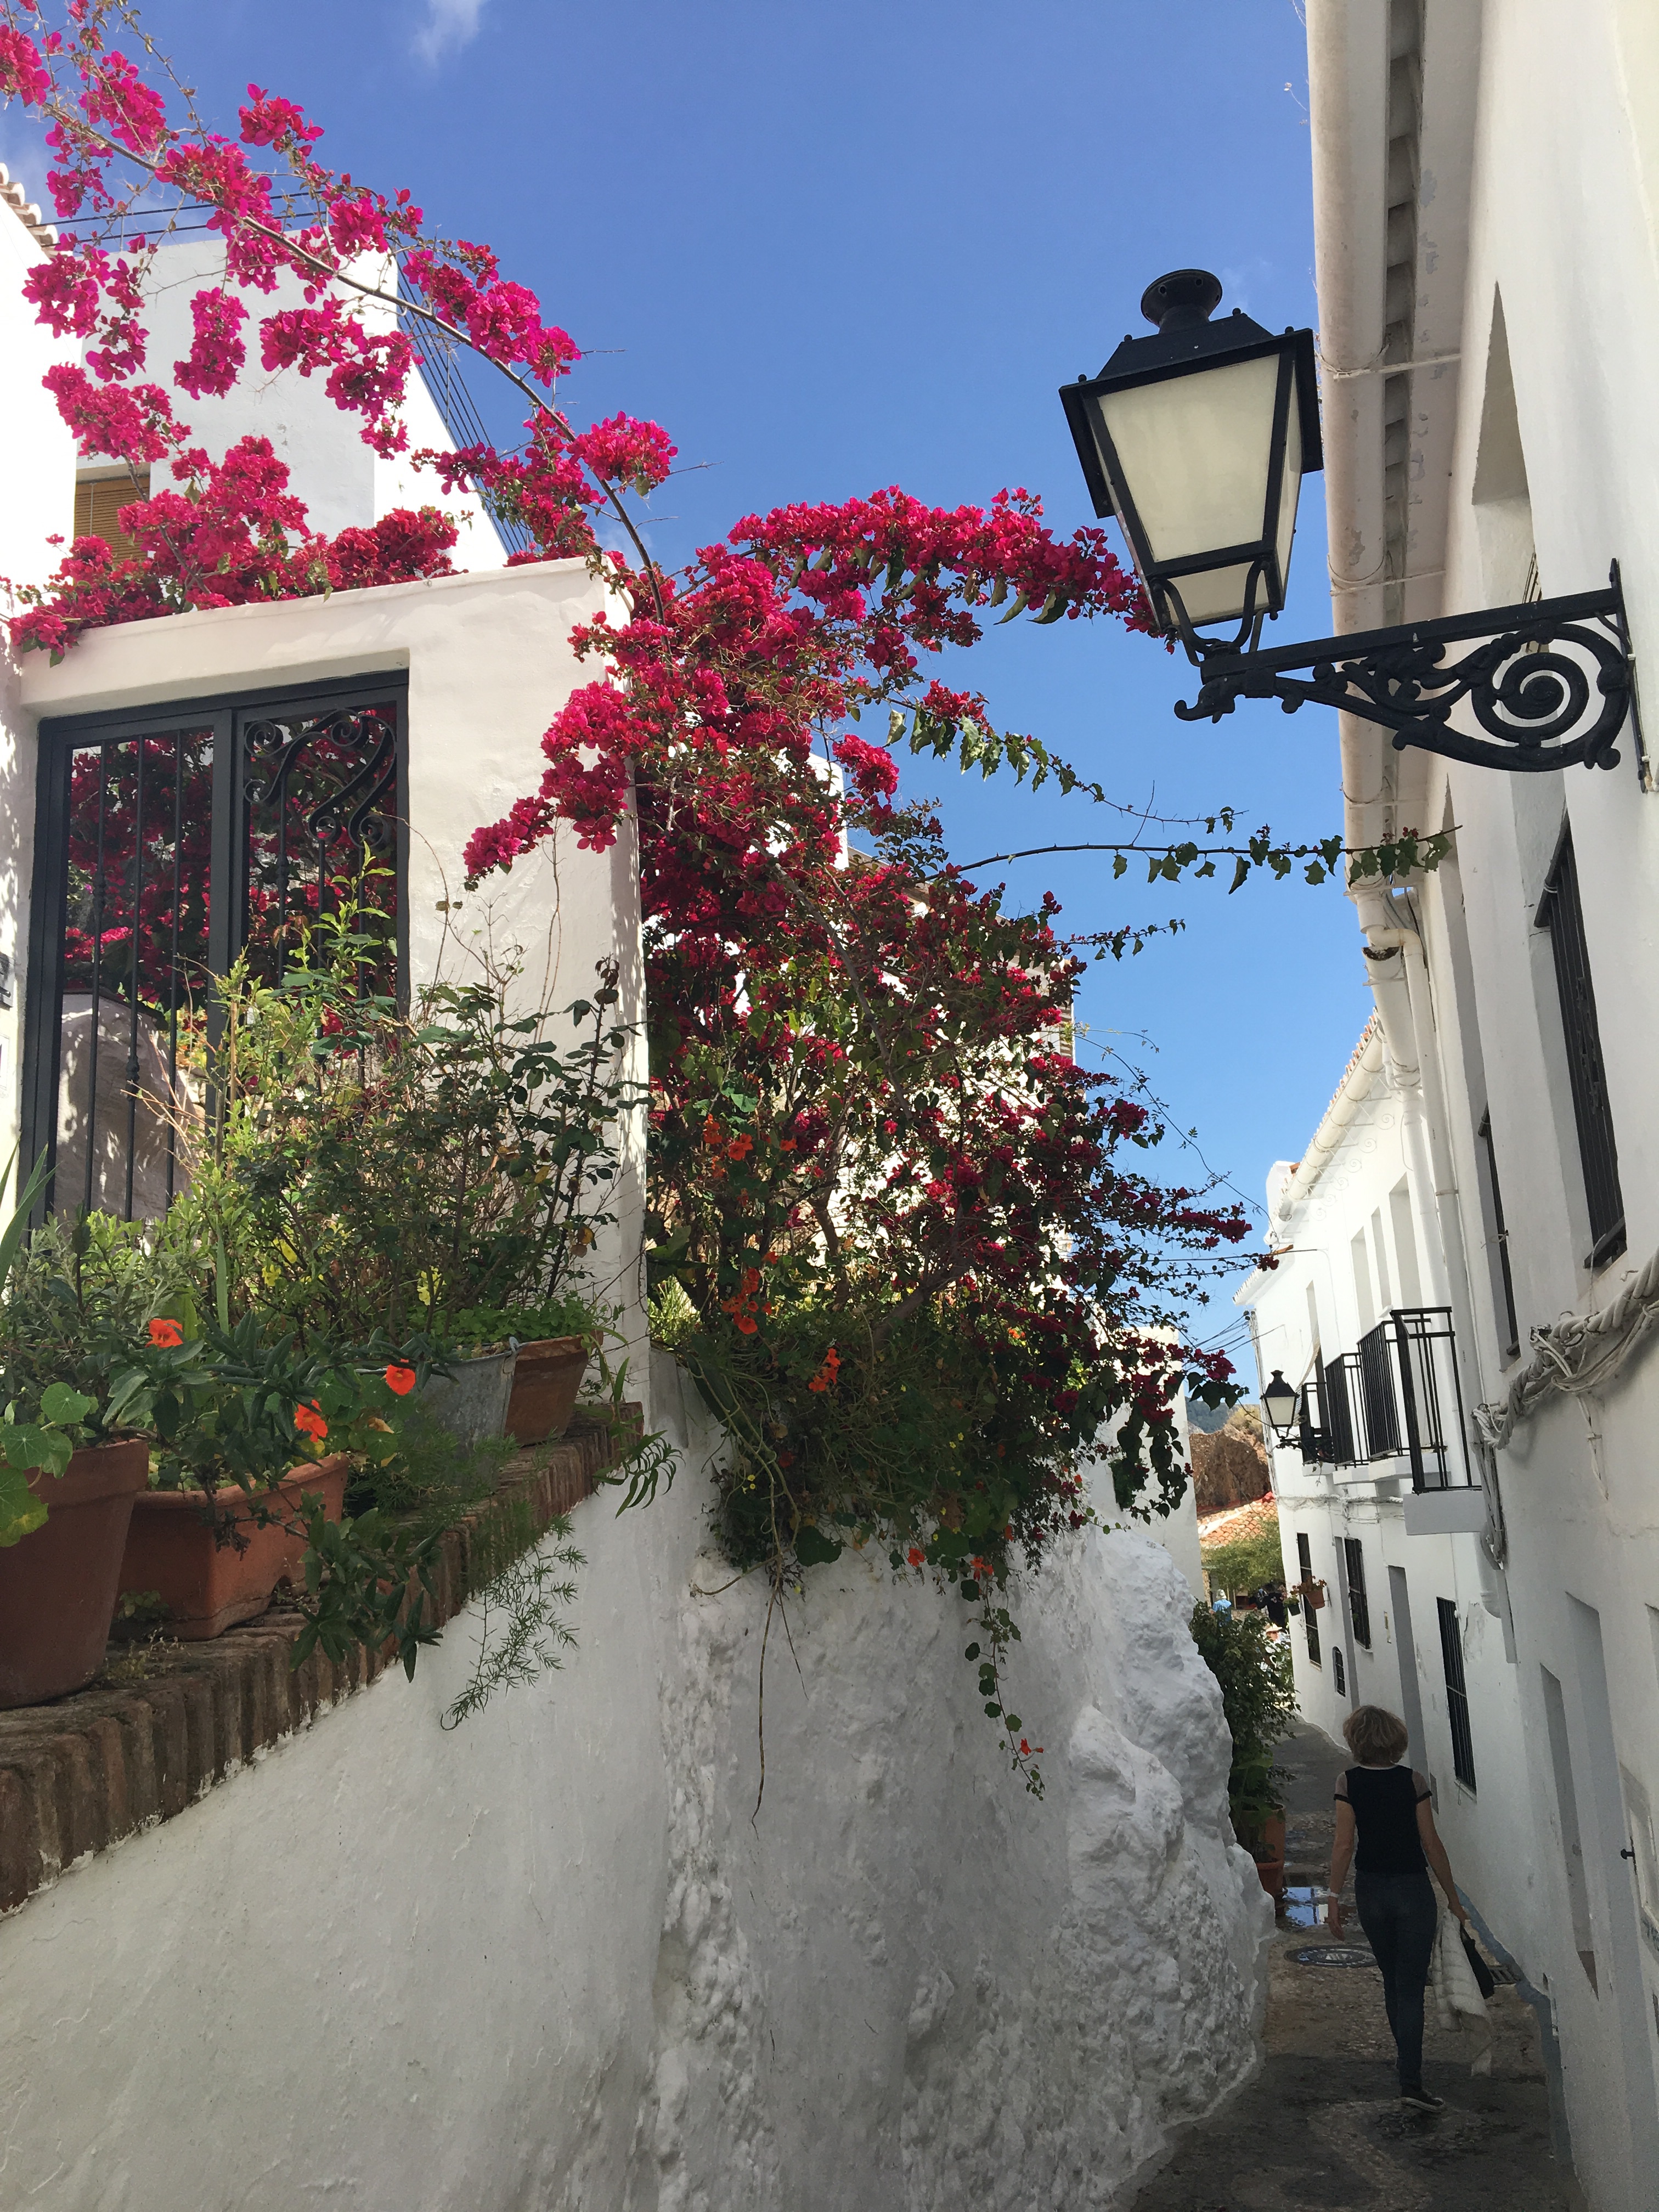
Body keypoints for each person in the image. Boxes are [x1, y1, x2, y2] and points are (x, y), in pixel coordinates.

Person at [1326, 1702, 1469, 2112]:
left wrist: (1333, 1897)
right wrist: (1454, 1899)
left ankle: (1407, 2067)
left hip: (1371, 1892)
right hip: (1412, 1892)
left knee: (1393, 1981)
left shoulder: (1348, 1782)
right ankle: (1411, 2080)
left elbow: (1344, 1845)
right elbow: (1431, 1843)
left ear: (1357, 1740)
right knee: (1409, 1986)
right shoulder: (1412, 1781)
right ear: (1394, 1739)